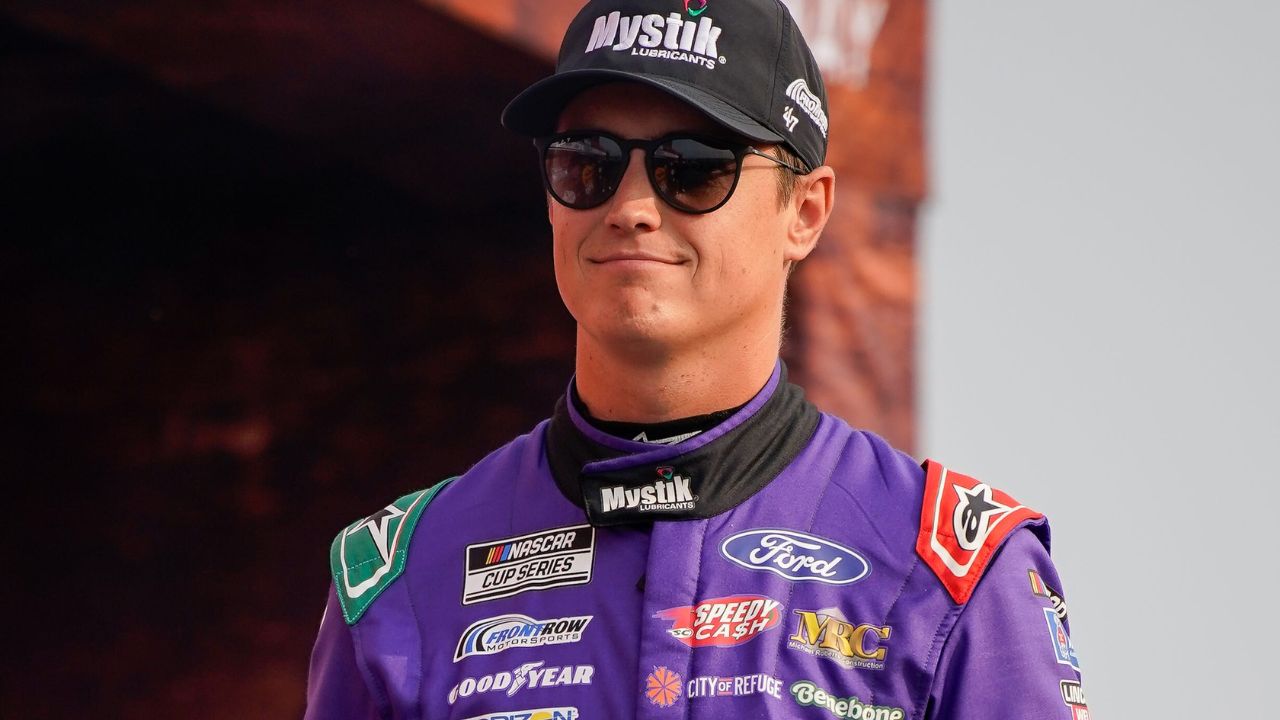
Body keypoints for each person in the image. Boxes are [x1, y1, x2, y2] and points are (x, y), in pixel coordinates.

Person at [304, 1, 1088, 718]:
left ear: (805, 213)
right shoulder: (400, 576)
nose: (632, 208)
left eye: (694, 167)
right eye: (588, 162)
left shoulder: (955, 575)